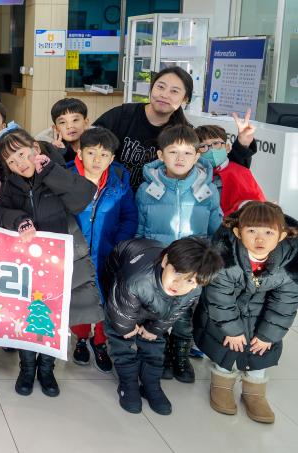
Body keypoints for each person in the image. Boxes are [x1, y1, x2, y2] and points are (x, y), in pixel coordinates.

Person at [0, 129, 101, 398]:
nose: (19, 163)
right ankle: (27, 368)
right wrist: (19, 220)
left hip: (59, 261)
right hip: (27, 262)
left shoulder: (56, 171)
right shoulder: (11, 184)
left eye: (22, 154)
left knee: (54, 315)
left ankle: (47, 368)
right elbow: (0, 212)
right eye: (11, 161)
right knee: (27, 314)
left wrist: (51, 172)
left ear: (35, 148)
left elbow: (83, 197)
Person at [194, 202, 298, 424]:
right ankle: (222, 382)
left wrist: (268, 335)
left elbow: (286, 301)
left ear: (281, 236)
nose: (260, 239)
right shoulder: (224, 256)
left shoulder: (290, 262)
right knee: (226, 343)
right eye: (252, 231)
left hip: (262, 312)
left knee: (262, 347)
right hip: (224, 313)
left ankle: (255, 389)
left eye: (269, 233)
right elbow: (219, 296)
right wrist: (232, 330)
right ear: (238, 233)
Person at [136, 124, 223, 384]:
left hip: (194, 266)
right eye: (173, 151)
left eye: (187, 153)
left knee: (184, 316)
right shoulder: (147, 189)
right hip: (161, 266)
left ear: (197, 156)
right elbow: (140, 229)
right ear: (160, 155)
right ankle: (161, 355)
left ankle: (181, 355)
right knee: (159, 311)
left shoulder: (207, 190)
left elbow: (216, 229)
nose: (180, 158)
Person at [103, 236, 223, 415]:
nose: (178, 285)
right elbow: (120, 307)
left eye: (190, 281)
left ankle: (151, 383)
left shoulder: (193, 290)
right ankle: (128, 383)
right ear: (166, 261)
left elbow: (176, 311)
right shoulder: (136, 279)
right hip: (123, 280)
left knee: (155, 340)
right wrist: (126, 327)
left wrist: (154, 329)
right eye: (177, 273)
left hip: (153, 297)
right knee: (121, 338)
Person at [94, 67, 257, 190]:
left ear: (185, 99)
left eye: (174, 91)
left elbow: (219, 167)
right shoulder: (123, 115)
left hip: (159, 205)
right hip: (112, 197)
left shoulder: (185, 133)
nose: (164, 94)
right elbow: (91, 142)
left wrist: (242, 143)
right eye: (160, 87)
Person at [64, 127, 136, 372]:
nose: (97, 160)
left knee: (106, 298)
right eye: (91, 153)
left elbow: (129, 216)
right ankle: (81, 339)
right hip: (75, 253)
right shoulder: (66, 177)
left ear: (112, 158)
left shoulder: (119, 180)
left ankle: (100, 342)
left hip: (107, 253)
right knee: (80, 297)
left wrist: (118, 245)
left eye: (104, 155)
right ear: (79, 153)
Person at [195, 124, 265, 216]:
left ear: (227, 147)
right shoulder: (191, 174)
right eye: (203, 146)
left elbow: (254, 208)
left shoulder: (240, 172)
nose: (211, 150)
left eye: (216, 143)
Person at [41, 98, 90, 164]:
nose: (69, 126)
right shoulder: (50, 152)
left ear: (86, 123)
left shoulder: (96, 145)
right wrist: (57, 153)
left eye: (75, 120)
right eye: (62, 122)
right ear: (56, 129)